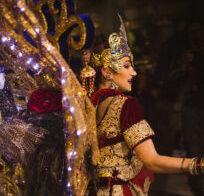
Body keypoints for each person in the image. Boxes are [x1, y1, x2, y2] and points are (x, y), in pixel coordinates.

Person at [83, 17, 204, 196]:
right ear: (107, 72)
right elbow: (152, 161)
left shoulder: (89, 104)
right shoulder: (126, 105)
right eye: (126, 66)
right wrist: (198, 165)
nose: (134, 72)